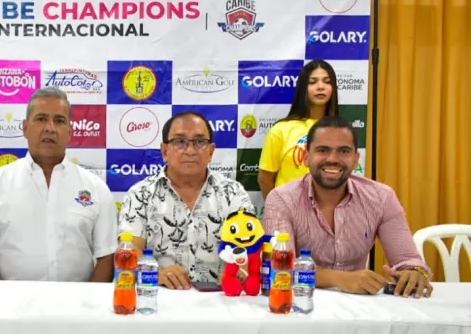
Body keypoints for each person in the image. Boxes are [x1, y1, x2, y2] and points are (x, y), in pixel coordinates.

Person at [0, 87, 117, 282]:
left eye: (59, 121)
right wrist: (1, 299)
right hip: (10, 305)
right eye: (41, 119)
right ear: (25, 128)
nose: (50, 128)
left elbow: (107, 257)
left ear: (70, 132)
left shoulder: (96, 188)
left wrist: (88, 305)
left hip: (77, 307)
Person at [263, 116, 433, 298]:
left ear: (355, 159)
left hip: (360, 309)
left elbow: (408, 259)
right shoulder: (281, 199)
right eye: (323, 150)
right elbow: (280, 268)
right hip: (299, 303)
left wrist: (413, 272)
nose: (333, 159)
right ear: (306, 157)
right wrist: (340, 279)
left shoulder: (381, 197)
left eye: (344, 151)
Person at [118, 110, 256, 289]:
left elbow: (248, 251)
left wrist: (239, 271)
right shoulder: (140, 195)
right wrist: (155, 275)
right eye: (180, 142)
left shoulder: (233, 193)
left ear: (211, 151)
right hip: (157, 300)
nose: (190, 150)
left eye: (200, 142)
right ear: (165, 151)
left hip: (220, 302)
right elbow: (127, 258)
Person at [258, 59, 339, 198]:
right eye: (313, 82)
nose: (321, 87)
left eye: (327, 81)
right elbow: (265, 179)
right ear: (303, 88)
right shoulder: (281, 130)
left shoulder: (341, 131)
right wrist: (278, 209)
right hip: (288, 213)